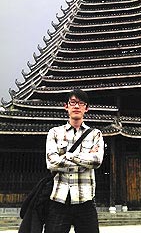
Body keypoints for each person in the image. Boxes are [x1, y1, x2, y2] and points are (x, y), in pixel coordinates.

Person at [44, 89, 104, 233]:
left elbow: (97, 161)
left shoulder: (96, 134)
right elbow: (51, 163)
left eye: (81, 103)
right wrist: (84, 157)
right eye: (73, 102)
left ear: (86, 108)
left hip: (86, 199)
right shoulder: (54, 132)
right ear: (66, 106)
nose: (76, 106)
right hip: (59, 199)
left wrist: (67, 156)